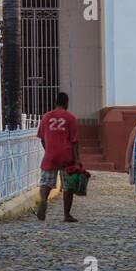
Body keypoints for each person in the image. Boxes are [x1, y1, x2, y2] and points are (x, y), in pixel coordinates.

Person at [36, 91, 88, 223]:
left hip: (50, 155)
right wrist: (77, 160)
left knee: (46, 182)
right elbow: (74, 141)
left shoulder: (46, 117)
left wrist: (48, 150)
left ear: (55, 102)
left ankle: (43, 201)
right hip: (67, 156)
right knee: (68, 186)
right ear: (66, 103)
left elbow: (42, 138)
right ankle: (66, 215)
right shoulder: (70, 118)